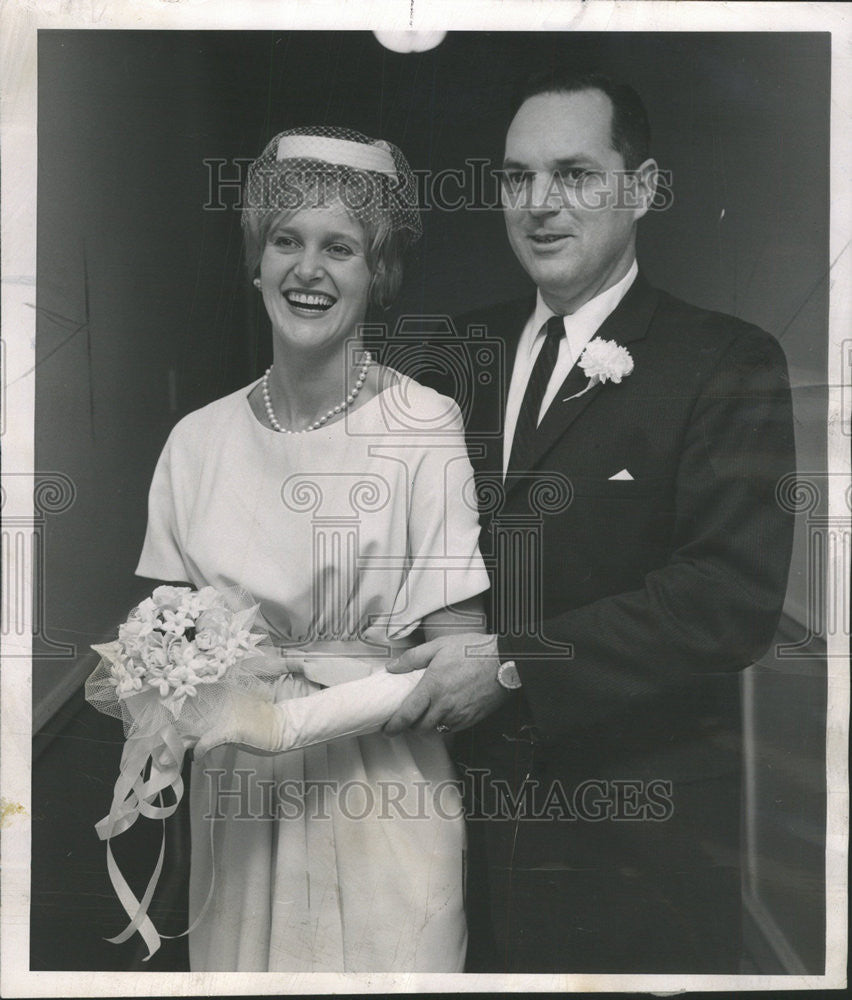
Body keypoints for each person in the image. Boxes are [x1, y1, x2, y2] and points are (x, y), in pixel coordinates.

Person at [384, 71, 797, 973]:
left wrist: (509, 664)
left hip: (636, 829)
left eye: (574, 174)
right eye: (516, 177)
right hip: (456, 811)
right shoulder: (455, 356)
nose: (539, 204)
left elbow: (728, 599)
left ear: (641, 189)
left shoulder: (725, 360)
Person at [134, 126, 490, 972]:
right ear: (255, 260)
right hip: (238, 809)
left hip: (382, 795)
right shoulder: (195, 441)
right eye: (285, 241)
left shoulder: (425, 423)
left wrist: (289, 718)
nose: (308, 270)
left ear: (379, 276)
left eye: (341, 248)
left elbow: (462, 659)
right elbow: (160, 642)